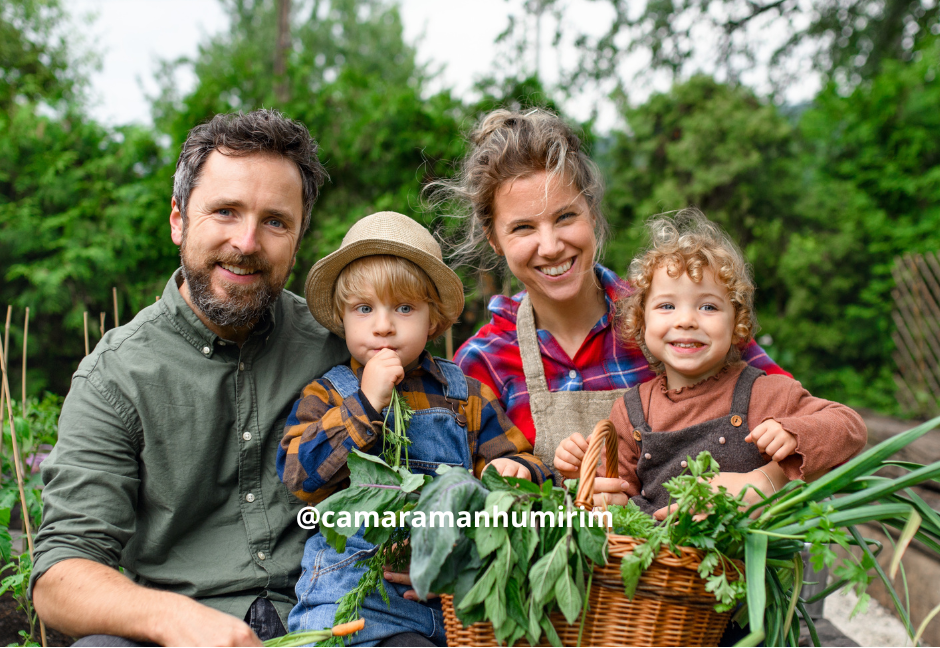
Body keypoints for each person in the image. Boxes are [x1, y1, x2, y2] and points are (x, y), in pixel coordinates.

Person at [30, 110, 350, 647]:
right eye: (225, 211)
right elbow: (61, 575)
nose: (247, 242)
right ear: (178, 218)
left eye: (275, 221)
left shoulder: (339, 344)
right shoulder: (116, 378)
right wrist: (175, 620)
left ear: (298, 237)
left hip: (336, 618)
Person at [436, 107, 790, 500]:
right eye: (523, 227)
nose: (551, 246)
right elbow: (462, 502)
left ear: (591, 210)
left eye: (566, 216)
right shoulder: (481, 363)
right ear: (493, 237)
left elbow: (805, 423)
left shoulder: (672, 318)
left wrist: (765, 481)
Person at [278, 211, 551, 647]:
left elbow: (524, 466)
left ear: (434, 320)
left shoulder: (466, 394)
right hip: (350, 602)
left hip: (447, 606)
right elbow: (298, 477)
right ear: (343, 319)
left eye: (404, 308)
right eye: (364, 309)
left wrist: (519, 472)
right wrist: (365, 404)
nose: (383, 325)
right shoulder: (329, 394)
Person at [554, 210, 868, 511]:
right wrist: (584, 477)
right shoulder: (631, 411)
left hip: (736, 563)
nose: (687, 320)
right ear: (642, 322)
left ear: (737, 325)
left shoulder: (764, 394)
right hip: (660, 563)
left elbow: (850, 427)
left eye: (708, 307)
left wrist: (793, 432)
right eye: (666, 306)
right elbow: (620, 494)